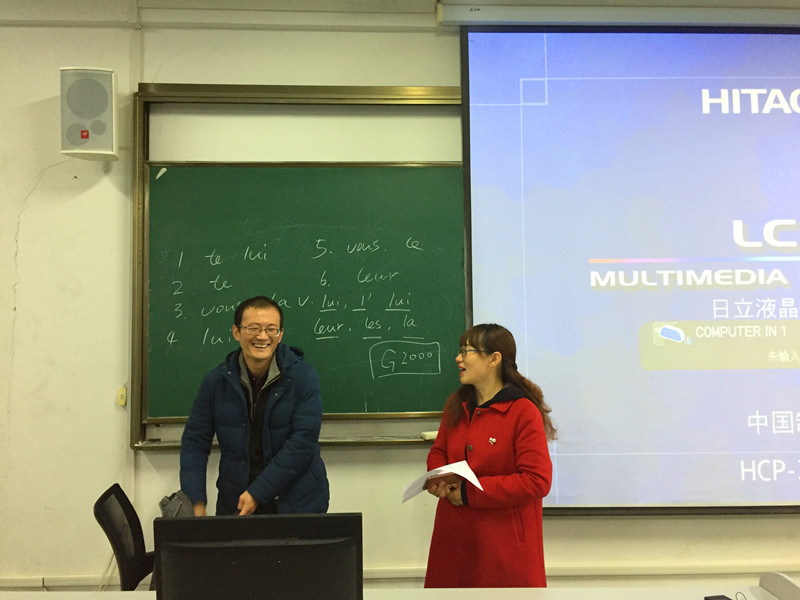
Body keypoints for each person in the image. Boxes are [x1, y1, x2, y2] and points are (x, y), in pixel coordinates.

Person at [423, 323, 557, 588]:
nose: (458, 358)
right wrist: (440, 479)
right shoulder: (457, 405)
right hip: (454, 541)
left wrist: (469, 493)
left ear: (494, 359)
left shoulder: (522, 411)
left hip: (502, 549)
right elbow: (438, 452)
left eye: (466, 351)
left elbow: (537, 481)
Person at [180, 295, 329, 516]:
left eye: (271, 329)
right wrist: (196, 503)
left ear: (280, 335)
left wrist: (258, 492)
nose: (262, 336)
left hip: (297, 503)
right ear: (236, 332)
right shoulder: (216, 382)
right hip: (237, 502)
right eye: (253, 328)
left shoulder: (302, 377)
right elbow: (195, 442)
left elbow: (303, 442)